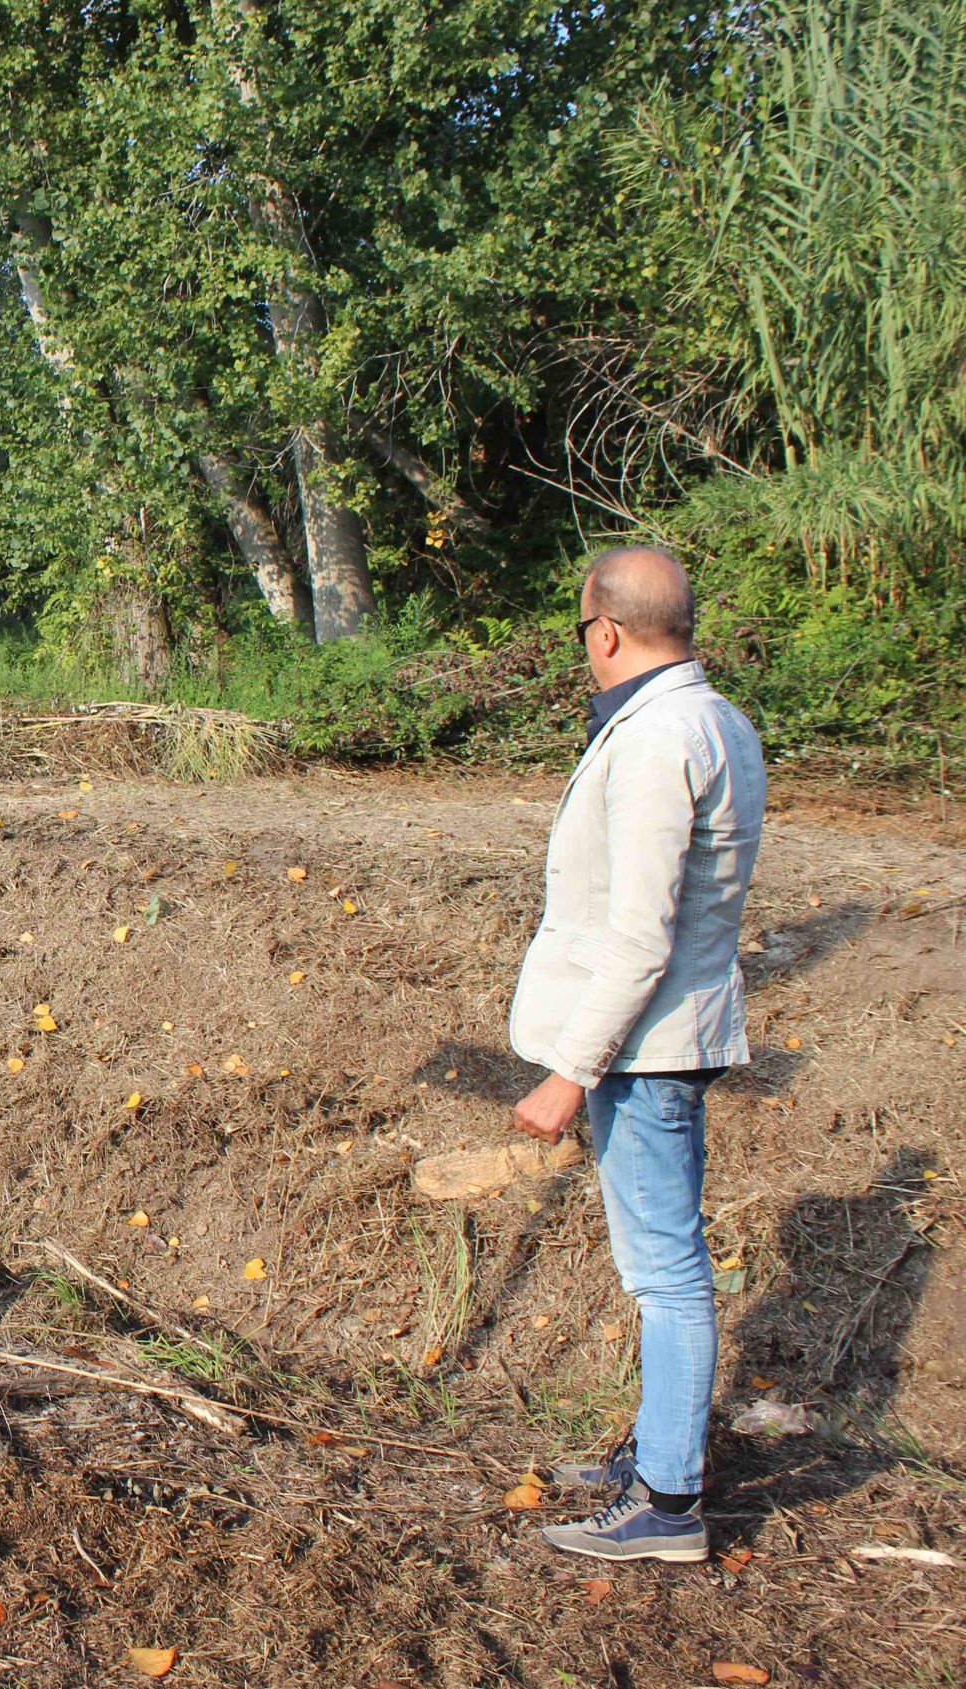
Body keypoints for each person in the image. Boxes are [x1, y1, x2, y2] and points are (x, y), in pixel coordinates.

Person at [508, 545, 766, 1564]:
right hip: (660, 1035)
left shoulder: (659, 738)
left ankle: (666, 1503)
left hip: (643, 1048)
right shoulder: (715, 720)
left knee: (664, 1273)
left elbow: (639, 931)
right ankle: (656, 1456)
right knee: (656, 1265)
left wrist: (570, 1069)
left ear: (603, 632)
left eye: (581, 632)